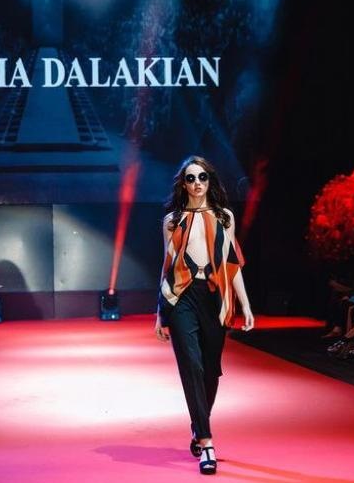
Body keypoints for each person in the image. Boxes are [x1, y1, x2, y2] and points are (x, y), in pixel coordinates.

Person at [154, 155, 254, 475]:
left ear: (210, 181)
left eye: (202, 177)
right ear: (183, 184)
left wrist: (246, 305)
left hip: (215, 298)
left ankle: (198, 425)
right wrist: (160, 313)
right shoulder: (173, 221)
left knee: (210, 370)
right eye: (190, 178)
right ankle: (207, 443)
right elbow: (167, 265)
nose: (197, 183)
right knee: (192, 366)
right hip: (180, 297)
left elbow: (232, 265)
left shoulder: (224, 217)